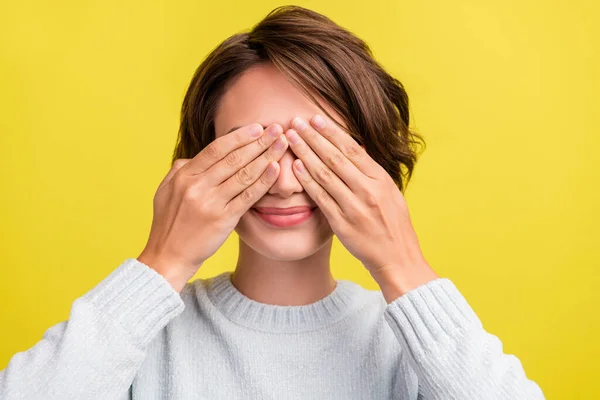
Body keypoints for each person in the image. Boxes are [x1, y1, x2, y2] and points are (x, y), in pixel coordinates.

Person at [0, 5, 545, 399]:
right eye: (250, 149)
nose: (283, 182)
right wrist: (161, 263)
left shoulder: (415, 347)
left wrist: (403, 266)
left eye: (319, 148)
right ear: (199, 166)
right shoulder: (139, 341)